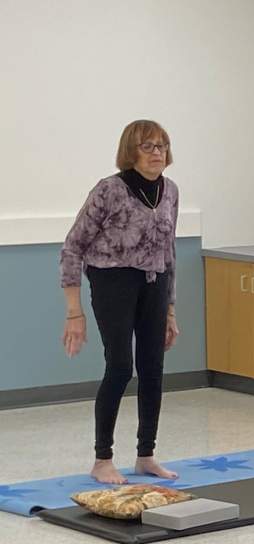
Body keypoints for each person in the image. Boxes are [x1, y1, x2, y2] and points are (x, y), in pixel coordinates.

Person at [60, 119, 183, 485]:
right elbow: (73, 247)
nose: (157, 152)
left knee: (153, 368)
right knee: (119, 367)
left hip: (154, 283)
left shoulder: (171, 191)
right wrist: (74, 312)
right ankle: (103, 459)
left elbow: (169, 251)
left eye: (162, 145)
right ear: (131, 152)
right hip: (112, 281)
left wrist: (170, 310)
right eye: (148, 146)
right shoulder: (109, 190)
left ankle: (146, 455)